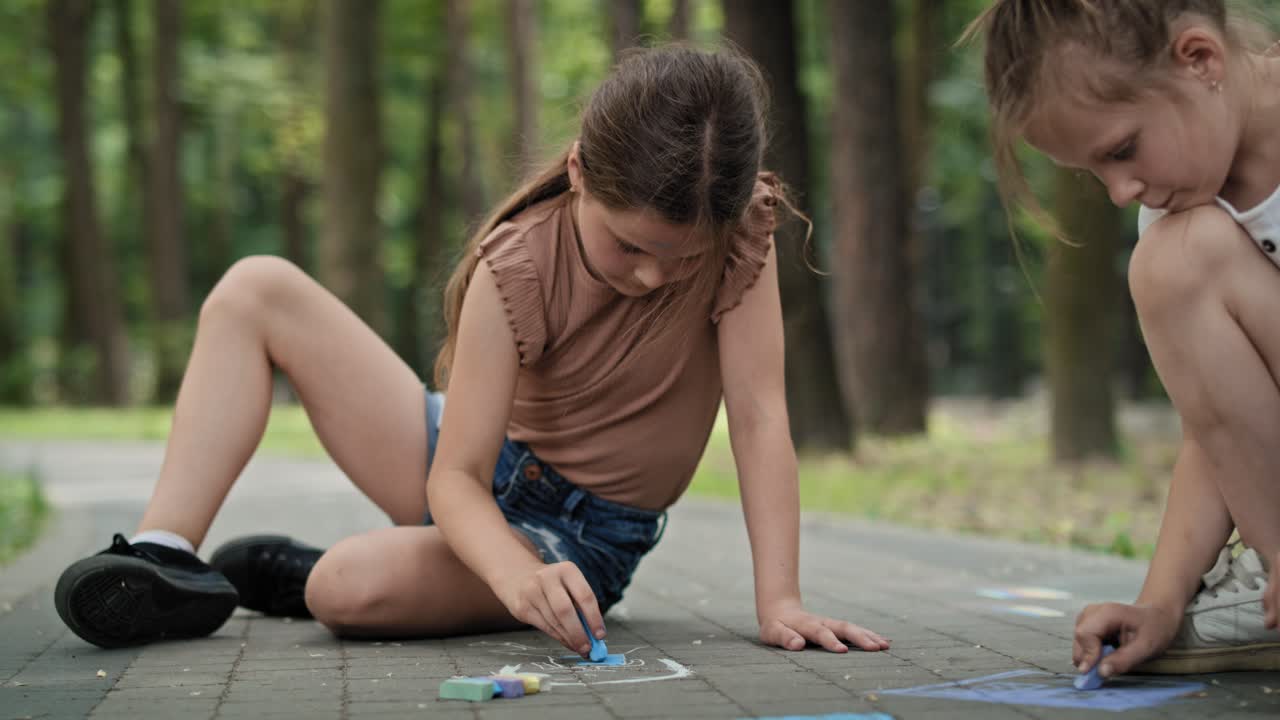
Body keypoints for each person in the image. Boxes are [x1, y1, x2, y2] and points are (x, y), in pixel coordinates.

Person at [53, 44, 891, 659]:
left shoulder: (743, 227)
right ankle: (169, 556)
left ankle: (353, 575)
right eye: (629, 246)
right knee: (253, 287)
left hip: (576, 540)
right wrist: (505, 577)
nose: (651, 275)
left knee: (339, 586)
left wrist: (778, 598)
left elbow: (759, 415)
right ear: (579, 173)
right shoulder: (516, 261)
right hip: (464, 465)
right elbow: (454, 476)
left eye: (680, 257)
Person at [964, 1, 1280, 676]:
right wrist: (1161, 603)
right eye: (1094, 171)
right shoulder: (1188, 217)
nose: (1119, 191)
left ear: (1200, 61)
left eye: (1122, 150)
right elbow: (1222, 429)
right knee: (1171, 261)